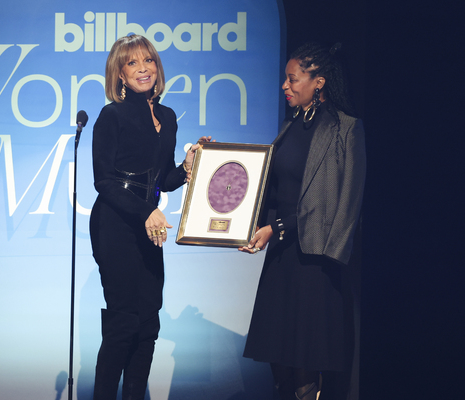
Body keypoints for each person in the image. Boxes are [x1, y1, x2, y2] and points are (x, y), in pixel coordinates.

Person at [239, 42, 366, 400]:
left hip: (316, 262)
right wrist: (247, 221)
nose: (285, 86)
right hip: (281, 258)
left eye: (292, 79)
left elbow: (343, 204)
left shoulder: (346, 130)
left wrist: (278, 229)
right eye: (285, 79)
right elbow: (272, 187)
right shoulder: (289, 126)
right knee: (278, 357)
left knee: (304, 365)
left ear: (319, 82)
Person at [90, 34, 210, 400]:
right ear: (120, 74)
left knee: (148, 324)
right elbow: (104, 182)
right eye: (132, 63)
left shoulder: (168, 117)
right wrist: (146, 211)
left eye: (149, 61)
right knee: (123, 323)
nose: (143, 68)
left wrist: (188, 168)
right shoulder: (111, 116)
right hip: (115, 225)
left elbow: (163, 180)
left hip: (149, 225)